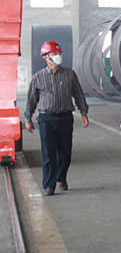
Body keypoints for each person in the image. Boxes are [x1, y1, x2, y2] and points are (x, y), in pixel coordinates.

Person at [24, 40, 89, 196]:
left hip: (65, 118)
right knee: (48, 154)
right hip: (46, 119)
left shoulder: (69, 75)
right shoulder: (38, 77)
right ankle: (49, 185)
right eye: (54, 54)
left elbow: (78, 94)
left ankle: (61, 177)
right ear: (46, 57)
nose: (58, 56)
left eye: (59, 53)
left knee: (65, 152)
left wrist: (83, 113)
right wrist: (28, 119)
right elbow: (31, 99)